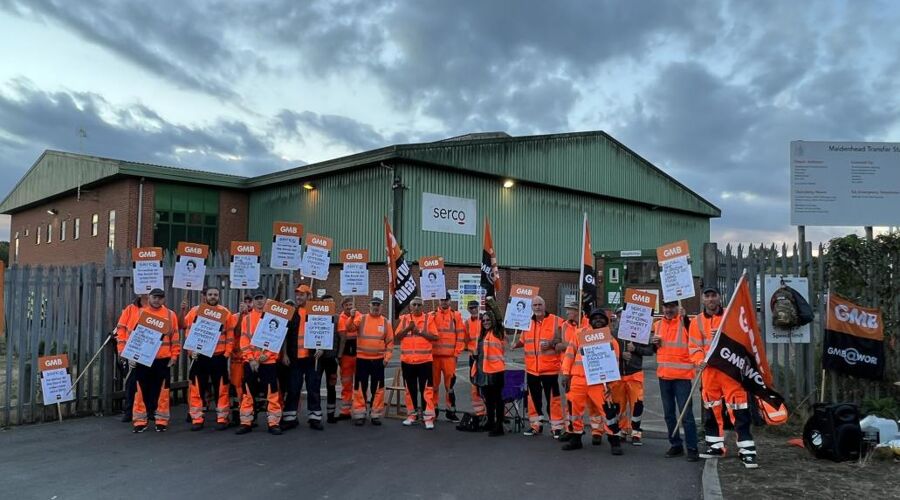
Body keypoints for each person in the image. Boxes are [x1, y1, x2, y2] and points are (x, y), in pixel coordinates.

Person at [689, 286, 758, 468]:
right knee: (712, 409)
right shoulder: (696, 322)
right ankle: (715, 446)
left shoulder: (730, 316)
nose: (711, 299)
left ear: (720, 298)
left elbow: (743, 339)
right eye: (707, 296)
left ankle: (747, 450)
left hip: (730, 371)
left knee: (739, 409)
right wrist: (698, 361)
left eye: (714, 296)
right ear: (703, 300)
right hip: (709, 372)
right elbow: (694, 346)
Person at [560, 308, 624, 455]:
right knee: (574, 411)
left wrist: (611, 385)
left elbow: (614, 364)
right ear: (590, 320)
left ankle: (614, 440)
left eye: (601, 318)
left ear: (606, 321)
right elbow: (569, 354)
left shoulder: (611, 341)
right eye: (595, 318)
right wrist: (565, 374)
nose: (598, 320)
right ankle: (575, 438)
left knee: (608, 412)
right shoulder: (579, 334)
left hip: (599, 383)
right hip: (578, 380)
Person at [117, 288, 180, 433]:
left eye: (160, 297)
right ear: (149, 298)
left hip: (162, 360)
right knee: (140, 392)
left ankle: (161, 421)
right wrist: (130, 355)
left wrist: (174, 356)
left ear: (164, 299)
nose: (157, 300)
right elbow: (135, 337)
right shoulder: (140, 313)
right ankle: (140, 421)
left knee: (162, 393)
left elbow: (175, 338)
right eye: (154, 297)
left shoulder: (170, 315)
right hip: (142, 360)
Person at [180, 286, 236, 431]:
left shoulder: (225, 313)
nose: (213, 297)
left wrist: (227, 354)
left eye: (215, 295)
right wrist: (191, 351)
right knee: (197, 388)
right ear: (205, 296)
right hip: (200, 356)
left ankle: (222, 418)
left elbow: (230, 335)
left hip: (219, 357)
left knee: (222, 389)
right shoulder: (195, 311)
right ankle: (197, 418)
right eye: (210, 294)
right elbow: (185, 328)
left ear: (219, 296)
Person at [651, 300, 698, 461]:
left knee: (686, 415)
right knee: (669, 415)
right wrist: (654, 343)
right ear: (662, 308)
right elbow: (657, 348)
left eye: (672, 306)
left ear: (678, 307)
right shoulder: (658, 325)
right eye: (666, 306)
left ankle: (692, 448)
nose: (669, 309)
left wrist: (685, 318)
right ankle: (676, 445)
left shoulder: (685, 322)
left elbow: (693, 336)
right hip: (664, 376)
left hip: (682, 377)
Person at [513, 295, 564, 438]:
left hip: (550, 369)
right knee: (533, 399)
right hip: (532, 369)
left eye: (539, 305)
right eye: (534, 305)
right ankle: (536, 425)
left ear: (545, 305)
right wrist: (515, 344)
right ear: (531, 307)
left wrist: (553, 344)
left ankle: (557, 427)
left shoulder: (556, 321)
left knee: (553, 399)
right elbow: (524, 340)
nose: (537, 307)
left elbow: (566, 339)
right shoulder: (527, 323)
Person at [236, 289, 283, 435]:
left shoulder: (274, 317)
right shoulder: (247, 319)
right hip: (251, 363)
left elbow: (277, 340)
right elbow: (243, 341)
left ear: (266, 299)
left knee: (272, 393)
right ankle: (246, 422)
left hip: (268, 362)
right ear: (253, 301)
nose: (259, 301)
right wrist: (251, 359)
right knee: (247, 393)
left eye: (261, 298)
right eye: (256, 298)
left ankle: (273, 423)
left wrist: (267, 355)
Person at [610, 303, 656, 447]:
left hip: (634, 374)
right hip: (618, 376)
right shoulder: (612, 334)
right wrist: (619, 354)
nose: (621, 318)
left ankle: (636, 432)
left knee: (637, 405)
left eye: (623, 315)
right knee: (619, 406)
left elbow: (650, 351)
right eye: (618, 315)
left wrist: (635, 349)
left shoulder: (639, 332)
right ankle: (623, 430)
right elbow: (605, 353)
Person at [283, 284, 323, 431]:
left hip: (312, 358)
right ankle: (290, 418)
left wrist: (321, 348)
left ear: (309, 296)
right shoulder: (291, 313)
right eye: (297, 295)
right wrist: (285, 354)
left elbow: (325, 331)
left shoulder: (317, 312)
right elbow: (285, 335)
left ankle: (315, 418)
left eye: (302, 294)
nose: (299, 297)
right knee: (293, 388)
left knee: (313, 388)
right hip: (294, 359)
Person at [395, 297, 438, 429]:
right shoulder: (404, 319)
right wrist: (408, 328)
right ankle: (411, 415)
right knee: (410, 390)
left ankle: (428, 417)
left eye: (419, 305)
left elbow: (435, 337)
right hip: (408, 361)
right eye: (414, 305)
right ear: (410, 306)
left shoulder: (428, 319)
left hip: (424, 361)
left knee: (427, 390)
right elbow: (397, 337)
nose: (417, 307)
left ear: (423, 307)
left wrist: (419, 331)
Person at [352, 296, 394, 425]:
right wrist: (351, 316)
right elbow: (350, 328)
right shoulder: (361, 319)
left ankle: (375, 414)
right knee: (360, 387)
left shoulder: (386, 322)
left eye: (378, 304)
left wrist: (387, 358)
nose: (376, 306)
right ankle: (360, 413)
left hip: (378, 361)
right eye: (374, 304)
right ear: (369, 306)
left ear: (381, 307)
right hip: (362, 360)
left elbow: (390, 343)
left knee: (378, 388)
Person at [426, 294, 464, 422]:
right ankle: (433, 409)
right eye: (442, 300)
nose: (444, 302)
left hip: (449, 357)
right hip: (434, 357)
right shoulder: (431, 315)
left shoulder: (456, 316)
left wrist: (457, 353)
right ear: (438, 300)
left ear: (450, 300)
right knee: (433, 386)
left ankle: (450, 411)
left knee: (450, 387)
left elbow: (460, 335)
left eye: (446, 300)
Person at [472, 298, 506, 437]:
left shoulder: (497, 332)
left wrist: (491, 303)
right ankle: (490, 422)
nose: (486, 322)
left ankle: (499, 426)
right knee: (488, 399)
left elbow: (498, 319)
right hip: (483, 371)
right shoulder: (482, 335)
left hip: (496, 370)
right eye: (484, 320)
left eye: (488, 320)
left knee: (497, 399)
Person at [115, 294, 147, 422]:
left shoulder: (158, 308)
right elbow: (121, 329)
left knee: (149, 384)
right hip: (132, 351)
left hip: (150, 353)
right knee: (131, 383)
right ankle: (129, 411)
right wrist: (121, 349)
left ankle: (147, 410)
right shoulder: (130, 309)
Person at [315, 295, 341, 423]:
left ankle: (331, 414)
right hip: (318, 359)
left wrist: (339, 355)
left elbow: (342, 338)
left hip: (332, 359)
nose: (329, 305)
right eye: (326, 303)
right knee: (316, 385)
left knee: (331, 386)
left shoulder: (337, 319)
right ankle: (316, 414)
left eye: (331, 303)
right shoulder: (315, 317)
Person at [335, 297, 362, 420]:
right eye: (346, 305)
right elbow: (343, 337)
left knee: (359, 384)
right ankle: (345, 410)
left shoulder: (359, 316)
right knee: (346, 383)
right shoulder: (340, 318)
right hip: (346, 354)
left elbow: (354, 329)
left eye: (350, 304)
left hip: (359, 353)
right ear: (343, 306)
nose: (349, 306)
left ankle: (358, 409)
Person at [229, 294, 253, 425]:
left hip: (250, 358)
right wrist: (242, 316)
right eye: (246, 302)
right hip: (237, 360)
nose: (248, 304)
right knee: (236, 388)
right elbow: (236, 332)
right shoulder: (235, 317)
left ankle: (250, 416)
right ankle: (236, 415)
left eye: (250, 302)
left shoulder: (257, 317)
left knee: (249, 388)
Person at [462, 300, 486, 419]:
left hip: (485, 357)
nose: (473, 310)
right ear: (468, 309)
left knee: (486, 384)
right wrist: (469, 349)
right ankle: (480, 412)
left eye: (475, 307)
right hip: (473, 357)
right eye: (471, 308)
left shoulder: (485, 320)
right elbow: (465, 339)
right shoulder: (467, 323)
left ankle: (489, 410)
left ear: (479, 307)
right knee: (475, 384)